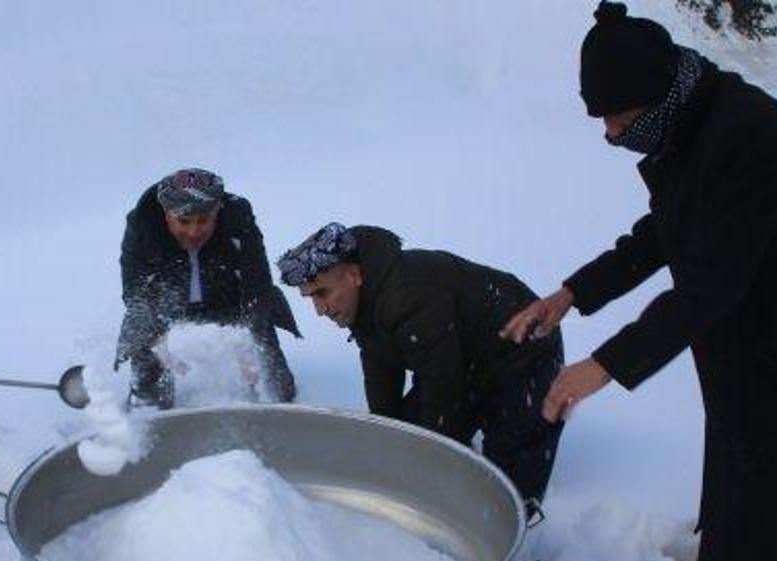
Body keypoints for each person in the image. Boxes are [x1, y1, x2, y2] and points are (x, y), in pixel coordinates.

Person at [502, 2, 777, 561]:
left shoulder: (751, 133)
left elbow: (711, 281)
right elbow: (664, 233)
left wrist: (604, 366)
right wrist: (572, 294)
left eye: (619, 118)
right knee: (746, 453)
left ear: (657, 94)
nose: (611, 134)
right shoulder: (691, 126)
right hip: (752, 324)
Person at [278, 222, 564, 507]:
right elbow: (381, 371)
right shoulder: (364, 299)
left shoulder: (406, 296)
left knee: (506, 490)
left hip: (525, 349)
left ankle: (520, 520)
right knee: (405, 442)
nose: (320, 310)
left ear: (354, 275)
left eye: (322, 293)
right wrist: (385, 438)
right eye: (310, 297)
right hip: (464, 359)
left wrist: (431, 461)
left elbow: (443, 385)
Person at [115, 168, 299, 407]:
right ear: (166, 215)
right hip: (166, 313)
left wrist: (247, 340)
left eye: (203, 221)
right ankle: (148, 403)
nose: (194, 232)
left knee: (278, 389)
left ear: (217, 212)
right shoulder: (142, 225)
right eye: (184, 222)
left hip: (230, 306)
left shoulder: (238, 217)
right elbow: (135, 293)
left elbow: (258, 283)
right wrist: (159, 342)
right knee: (147, 401)